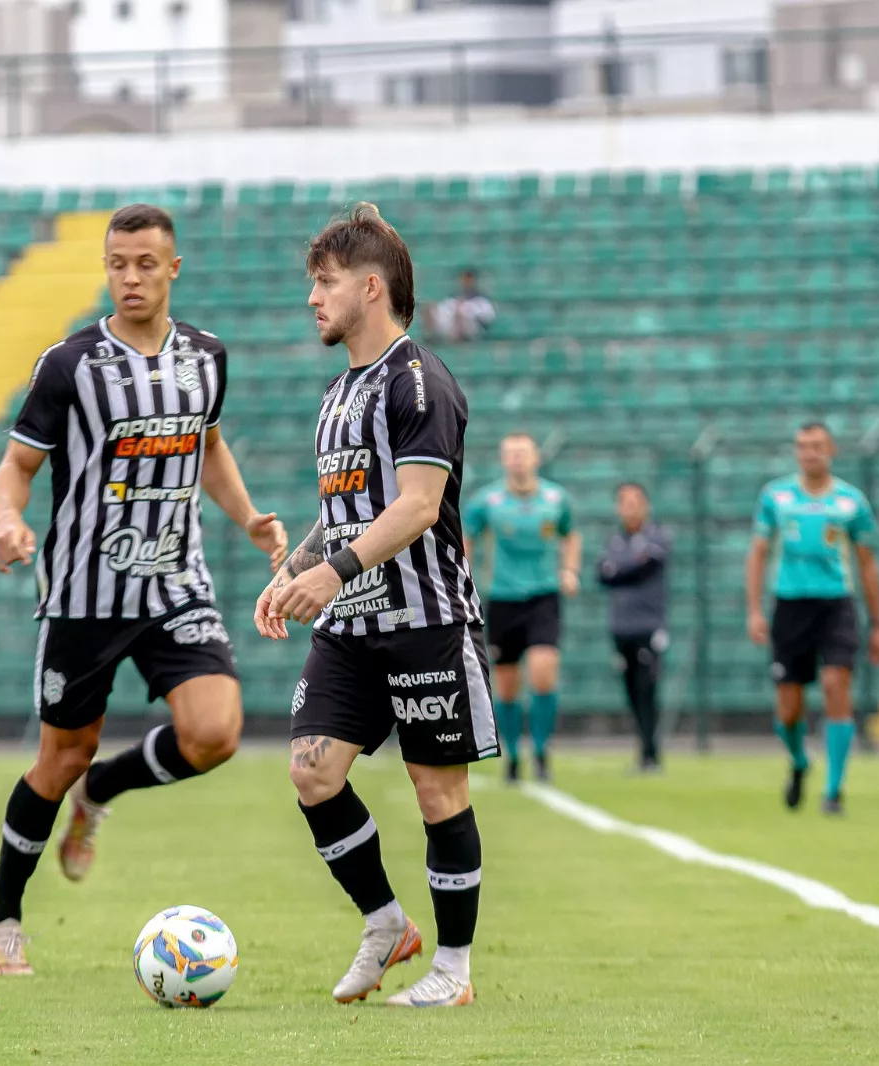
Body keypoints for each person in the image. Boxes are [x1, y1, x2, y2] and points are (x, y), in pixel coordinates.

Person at [0, 203, 288, 977]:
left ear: (172, 268)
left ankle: (104, 790)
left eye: (146, 263)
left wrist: (247, 517)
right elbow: (15, 466)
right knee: (60, 757)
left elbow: (208, 446)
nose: (131, 277)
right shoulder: (70, 364)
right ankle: (1, 915)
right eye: (118, 264)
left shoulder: (206, 357)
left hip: (177, 583)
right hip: (84, 593)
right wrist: (10, 521)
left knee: (215, 733)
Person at [257, 203, 489, 1009]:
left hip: (424, 619)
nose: (313, 299)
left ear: (369, 287)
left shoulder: (419, 381)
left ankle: (453, 972)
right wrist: (298, 566)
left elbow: (419, 505)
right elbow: (349, 503)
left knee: (437, 794)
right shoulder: (338, 391)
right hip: (352, 626)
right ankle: (386, 922)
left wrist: (335, 569)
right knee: (312, 772)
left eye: (323, 284)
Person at [745, 422, 879, 816]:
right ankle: (799, 761)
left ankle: (833, 790)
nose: (809, 453)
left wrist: (878, 624)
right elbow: (758, 552)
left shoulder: (850, 501)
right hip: (790, 607)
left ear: (832, 450)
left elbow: (867, 563)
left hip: (836, 606)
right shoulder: (776, 496)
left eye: (817, 446)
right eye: (802, 446)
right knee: (788, 709)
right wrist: (755, 609)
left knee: (835, 684)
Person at [463, 432, 580, 782]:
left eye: (522, 453)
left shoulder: (556, 499)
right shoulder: (488, 501)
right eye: (510, 453)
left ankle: (542, 751)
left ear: (535, 458)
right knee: (508, 682)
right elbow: (467, 536)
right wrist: (464, 578)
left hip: (543, 596)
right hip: (503, 598)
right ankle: (513, 755)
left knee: (544, 671)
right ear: (503, 459)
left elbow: (570, 535)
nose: (516, 459)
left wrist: (569, 570)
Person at [597, 482, 671, 773]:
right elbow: (602, 574)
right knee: (630, 691)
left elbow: (644, 567)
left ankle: (650, 754)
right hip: (621, 627)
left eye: (634, 501)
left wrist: (619, 569)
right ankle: (645, 750)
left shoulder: (657, 536)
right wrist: (624, 568)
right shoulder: (614, 539)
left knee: (647, 689)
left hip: (648, 626)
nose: (629, 507)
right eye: (623, 502)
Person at [424, 268, 495, 343]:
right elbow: (443, 311)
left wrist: (466, 312)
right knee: (429, 309)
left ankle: (462, 341)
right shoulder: (453, 298)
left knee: (460, 313)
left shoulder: (481, 299)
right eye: (464, 279)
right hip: (450, 329)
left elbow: (488, 318)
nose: (466, 282)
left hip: (473, 330)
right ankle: (431, 338)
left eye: (469, 279)